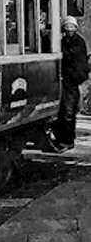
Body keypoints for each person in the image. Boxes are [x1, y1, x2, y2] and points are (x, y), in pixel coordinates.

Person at [52, 15, 90, 151]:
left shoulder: (78, 42)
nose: (69, 29)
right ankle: (62, 138)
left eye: (71, 27)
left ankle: (68, 140)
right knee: (63, 111)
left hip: (72, 81)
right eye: (67, 27)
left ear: (75, 28)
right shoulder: (65, 42)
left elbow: (74, 60)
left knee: (68, 111)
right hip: (66, 80)